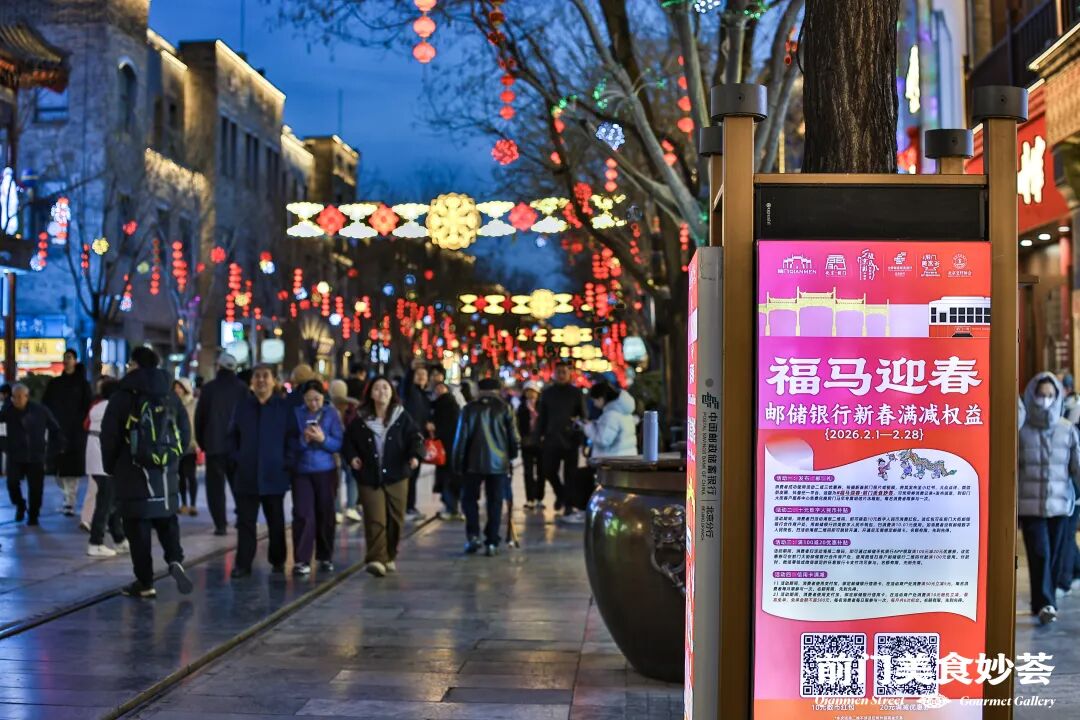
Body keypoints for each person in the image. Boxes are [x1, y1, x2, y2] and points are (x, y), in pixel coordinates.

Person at [101, 347, 192, 599]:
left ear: (135, 365)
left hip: (132, 472)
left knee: (137, 527)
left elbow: (109, 436)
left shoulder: (122, 397)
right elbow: (184, 432)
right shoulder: (170, 395)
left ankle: (145, 582)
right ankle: (175, 559)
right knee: (167, 518)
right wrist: (172, 458)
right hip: (165, 473)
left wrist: (112, 467)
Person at [343, 377, 423, 578]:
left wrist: (414, 456)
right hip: (369, 476)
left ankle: (389, 555)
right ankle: (376, 559)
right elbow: (348, 442)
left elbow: (415, 438)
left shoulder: (401, 416)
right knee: (375, 518)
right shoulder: (361, 420)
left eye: (385, 388)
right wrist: (352, 458)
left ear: (392, 392)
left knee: (395, 518)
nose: (382, 392)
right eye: (377, 388)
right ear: (370, 393)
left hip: (397, 474)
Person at [1018, 372, 1080, 624]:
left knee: (1055, 555)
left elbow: (1076, 466)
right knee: (1040, 553)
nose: (1045, 400)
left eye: (1050, 395)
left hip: (1060, 504)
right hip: (1030, 505)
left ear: (1057, 397)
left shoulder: (1067, 430)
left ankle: (1042, 603)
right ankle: (1046, 603)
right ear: (1032, 395)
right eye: (1041, 395)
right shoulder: (1022, 430)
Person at [227, 365, 291, 578]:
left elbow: (292, 437)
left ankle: (278, 560)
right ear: (251, 382)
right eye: (257, 376)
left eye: (266, 376)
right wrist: (236, 458)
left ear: (274, 381)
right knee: (245, 522)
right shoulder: (242, 406)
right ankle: (243, 563)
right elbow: (232, 436)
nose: (261, 380)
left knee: (276, 521)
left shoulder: (283, 407)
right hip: (247, 473)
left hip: (274, 472)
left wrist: (286, 462)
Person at [452, 377, 519, 556]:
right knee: (495, 501)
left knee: (469, 500)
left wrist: (457, 463)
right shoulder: (505, 408)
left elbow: (460, 438)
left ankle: (473, 536)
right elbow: (514, 438)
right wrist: (510, 457)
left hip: (472, 463)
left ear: (479, 390)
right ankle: (492, 541)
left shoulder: (469, 409)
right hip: (499, 464)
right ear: (498, 390)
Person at [290, 380, 345, 575]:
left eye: (317, 399)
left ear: (323, 397)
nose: (313, 404)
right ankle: (302, 559)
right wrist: (304, 440)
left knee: (326, 514)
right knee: (303, 514)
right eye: (309, 400)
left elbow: (339, 443)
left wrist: (323, 439)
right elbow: (290, 443)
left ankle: (325, 556)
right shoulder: (297, 413)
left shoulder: (331, 414)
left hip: (326, 470)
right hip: (302, 471)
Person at [194, 352, 246, 535]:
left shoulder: (209, 389)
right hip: (237, 446)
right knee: (239, 485)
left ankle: (220, 524)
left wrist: (203, 443)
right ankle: (242, 518)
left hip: (214, 445)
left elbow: (200, 418)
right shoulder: (242, 388)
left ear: (219, 367)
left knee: (215, 489)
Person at [1, 383, 62, 525]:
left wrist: (56, 447)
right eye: (14, 397)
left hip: (35, 455)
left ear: (27, 397)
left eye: (19, 397)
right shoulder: (7, 411)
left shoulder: (40, 410)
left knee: (36, 488)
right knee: (12, 484)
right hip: (15, 455)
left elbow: (54, 428)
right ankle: (20, 504)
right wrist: (5, 447)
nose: (16, 400)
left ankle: (33, 514)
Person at [42, 348, 91, 516]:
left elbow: (87, 406)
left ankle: (70, 501)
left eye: (69, 357)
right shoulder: (55, 384)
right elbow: (46, 405)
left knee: (73, 469)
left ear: (75, 360)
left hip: (76, 432)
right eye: (65, 357)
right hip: (58, 431)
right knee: (59, 470)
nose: (67, 360)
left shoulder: (83, 384)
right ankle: (67, 497)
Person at [537, 361, 586, 520]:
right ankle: (561, 494)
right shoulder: (547, 393)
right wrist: (538, 436)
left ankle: (569, 505)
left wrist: (582, 438)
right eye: (558, 372)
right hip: (551, 439)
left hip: (571, 439)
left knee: (570, 474)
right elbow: (542, 417)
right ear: (554, 373)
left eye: (564, 372)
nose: (561, 375)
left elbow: (583, 416)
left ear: (569, 373)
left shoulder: (576, 393)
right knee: (549, 471)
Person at [85, 378, 127, 556]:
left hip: (95, 457)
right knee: (106, 501)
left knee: (111, 500)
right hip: (104, 459)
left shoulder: (97, 407)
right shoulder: (113, 407)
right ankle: (96, 542)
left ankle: (119, 538)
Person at [400, 364, 432, 517]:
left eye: (424, 375)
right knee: (409, 473)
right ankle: (407, 506)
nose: (421, 377)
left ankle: (410, 506)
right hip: (408, 439)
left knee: (414, 474)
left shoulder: (424, 396)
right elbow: (406, 383)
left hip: (420, 439)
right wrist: (411, 369)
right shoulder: (410, 392)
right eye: (418, 374)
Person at [328, 379, 361, 523]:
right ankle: (351, 507)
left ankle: (337, 511)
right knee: (351, 478)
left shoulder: (328, 408)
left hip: (336, 449)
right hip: (349, 449)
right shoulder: (353, 408)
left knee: (337, 480)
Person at [431, 381, 462, 519]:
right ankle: (451, 507)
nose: (439, 389)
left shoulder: (447, 403)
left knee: (447, 477)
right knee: (448, 476)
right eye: (437, 387)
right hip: (447, 446)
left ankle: (451, 508)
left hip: (447, 447)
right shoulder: (440, 403)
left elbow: (448, 425)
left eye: (441, 387)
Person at [585, 382, 639, 459]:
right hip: (625, 458)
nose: (594, 404)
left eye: (594, 400)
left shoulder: (611, 415)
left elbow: (603, 440)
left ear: (601, 399)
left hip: (613, 461)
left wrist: (588, 427)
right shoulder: (623, 411)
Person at [173, 379, 198, 516]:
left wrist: (197, 443)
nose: (177, 390)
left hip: (191, 445)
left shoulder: (194, 404)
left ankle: (193, 504)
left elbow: (197, 423)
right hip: (176, 446)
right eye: (176, 387)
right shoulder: (172, 404)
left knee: (191, 476)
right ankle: (183, 504)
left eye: (180, 387)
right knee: (180, 476)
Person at [516, 381, 543, 510]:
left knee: (541, 472)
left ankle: (539, 498)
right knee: (528, 472)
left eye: (533, 391)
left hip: (541, 443)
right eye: (528, 391)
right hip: (527, 443)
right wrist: (522, 437)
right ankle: (530, 499)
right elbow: (518, 424)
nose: (531, 394)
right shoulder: (521, 407)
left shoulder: (542, 406)